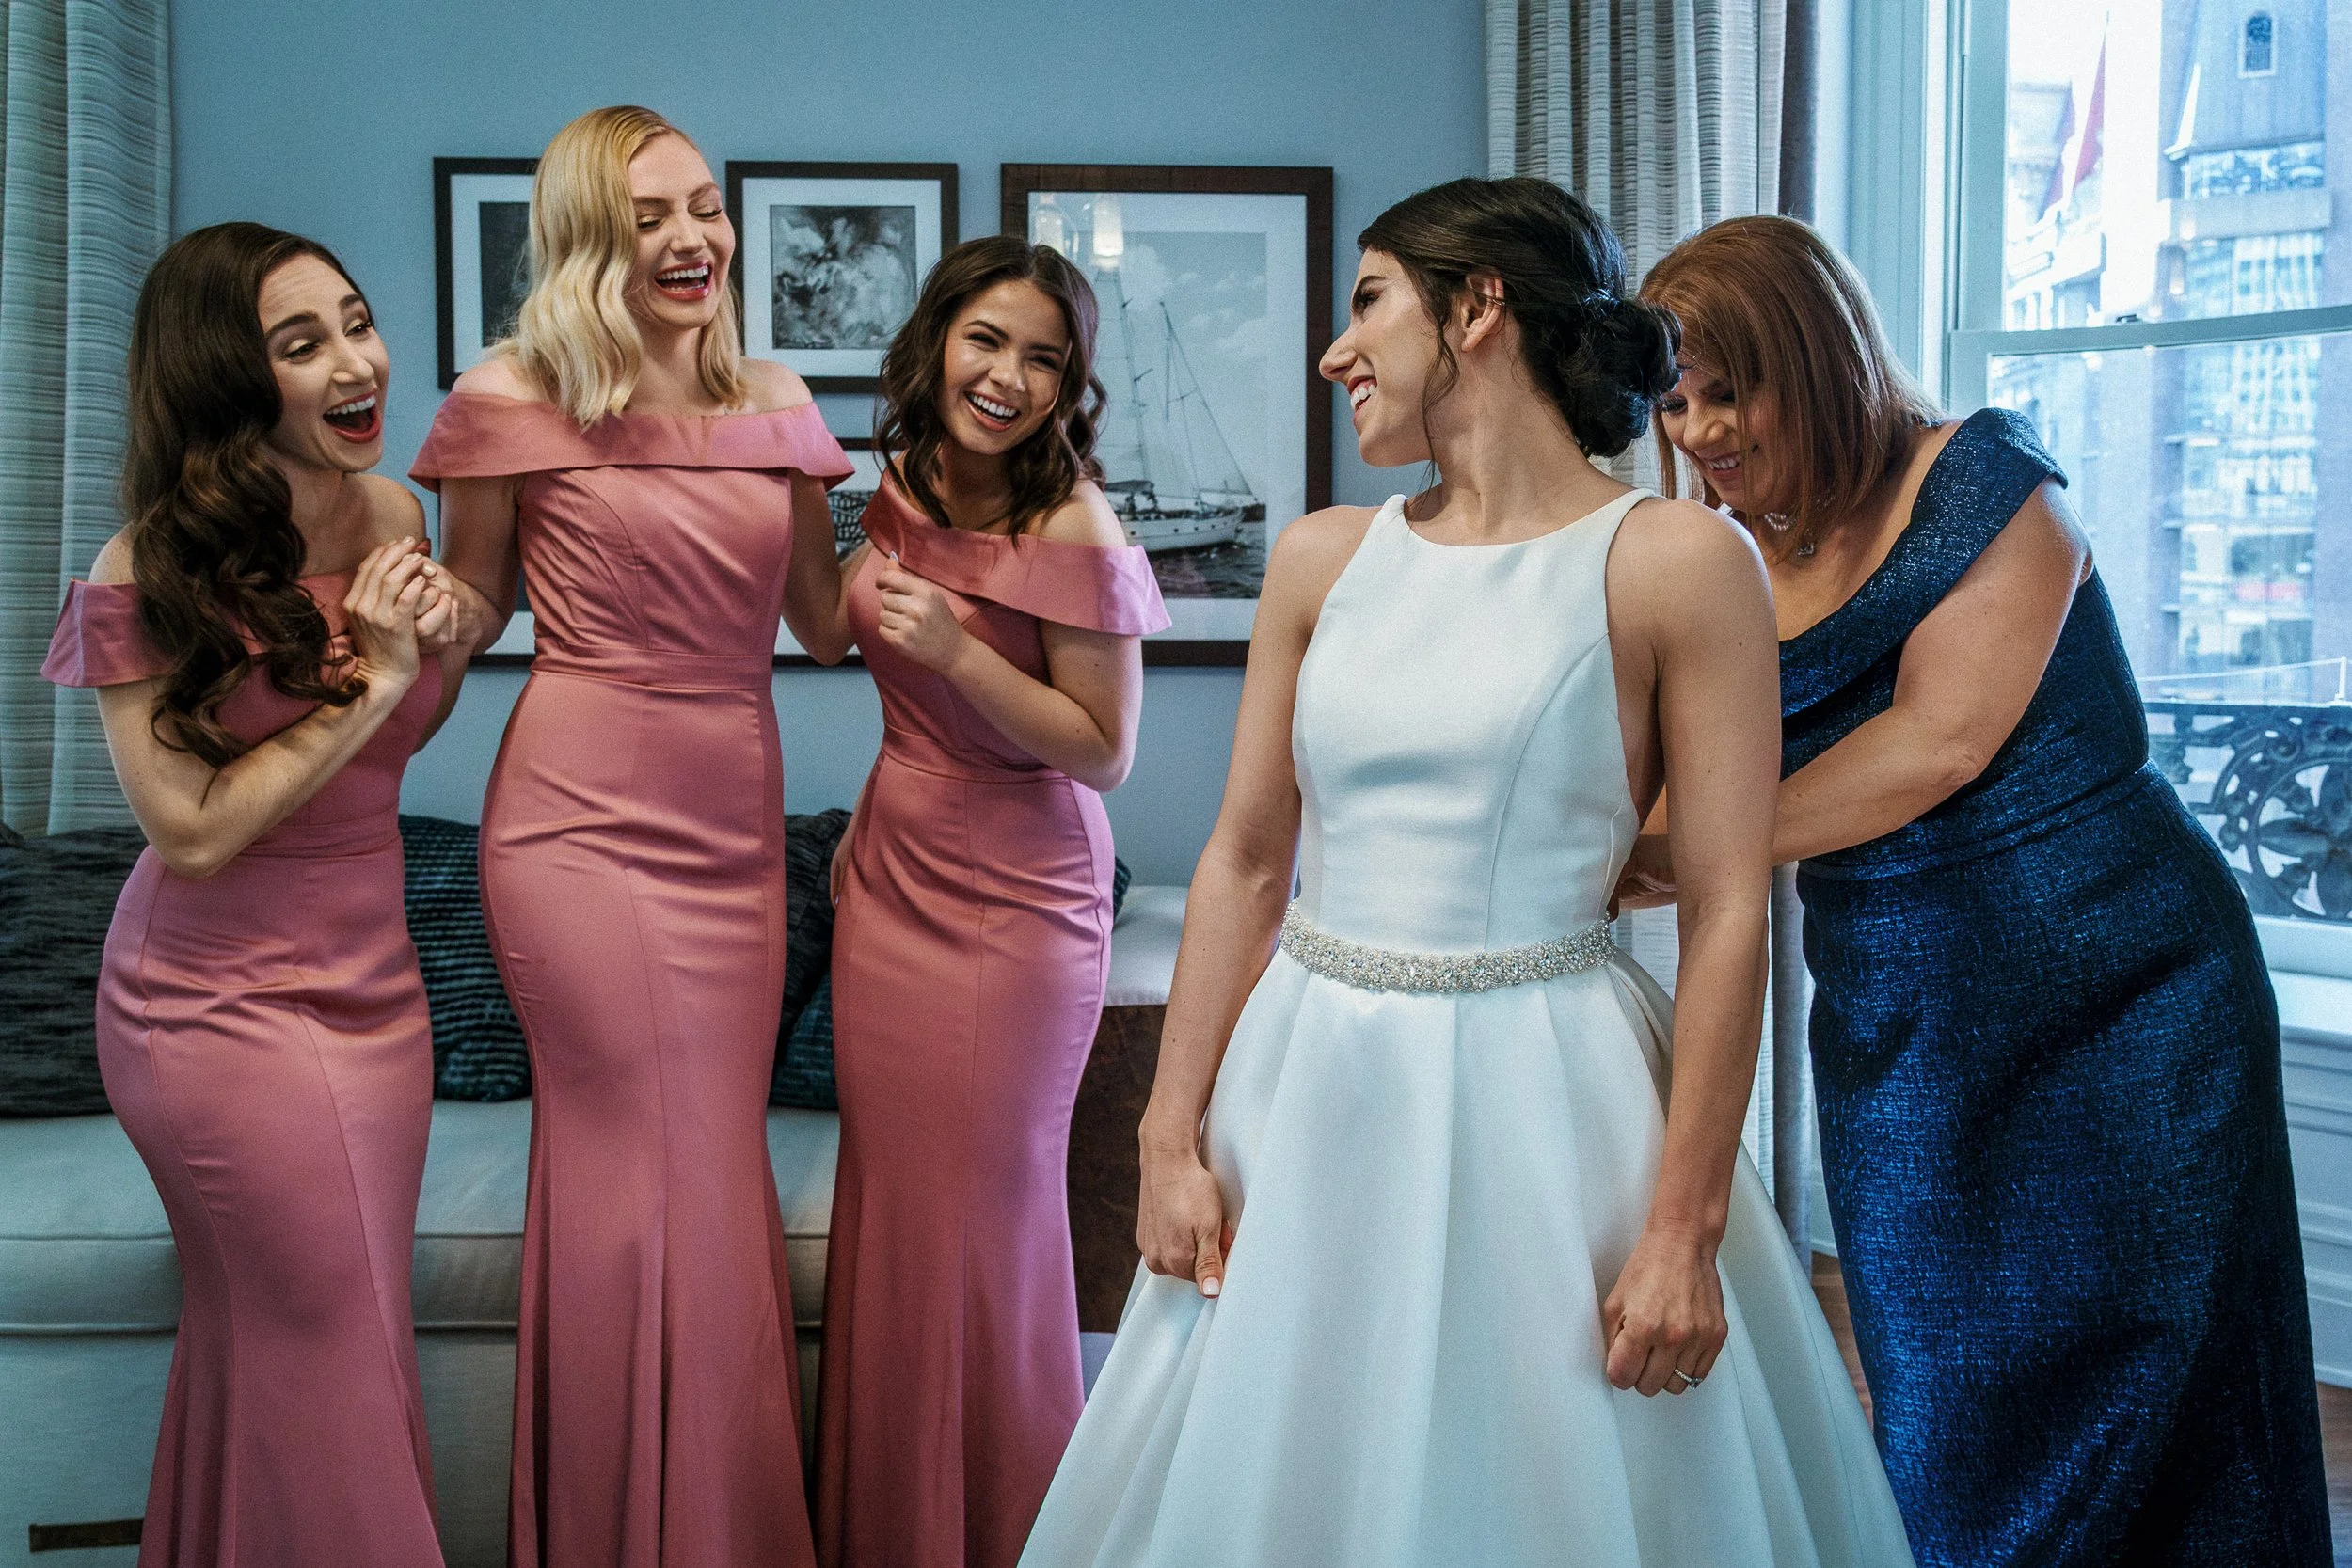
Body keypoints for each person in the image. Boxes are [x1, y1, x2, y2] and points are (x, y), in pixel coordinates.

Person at [1020, 178, 1915, 1568]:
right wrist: (1168, 1132)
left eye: (1368, 299)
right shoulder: (1323, 559)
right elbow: (1249, 861)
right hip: (1308, 1095)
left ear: (1479, 306)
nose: (1336, 351)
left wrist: (1684, 1225)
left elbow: (1736, 906)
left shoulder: (1679, 559)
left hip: (1557, 1109)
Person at [1634, 213, 2329, 1566]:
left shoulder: (1988, 476)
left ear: (1820, 358)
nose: (1702, 428)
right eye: (1676, 398)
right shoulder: (1719, 565)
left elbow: (1935, 743)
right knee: (1946, 1395)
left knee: (2167, 1377)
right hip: (1907, 1027)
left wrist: (1688, 845)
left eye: (1733, 387)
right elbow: (1655, 780)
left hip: (2131, 996)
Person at [411, 105, 851, 1568]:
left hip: (731, 833)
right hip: (574, 829)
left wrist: (1007, 520)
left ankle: (710, 1530)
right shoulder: (510, 394)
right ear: (592, 240)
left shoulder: (778, 398)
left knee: (712, 1168)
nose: (693, 240)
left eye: (707, 209)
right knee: (624, 1166)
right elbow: (475, 604)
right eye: (651, 216)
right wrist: (398, 615)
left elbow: (828, 623)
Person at [42, 221, 466, 1566]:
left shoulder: (396, 510)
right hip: (205, 1006)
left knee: (311, 1335)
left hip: (374, 990)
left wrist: (439, 649)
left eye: (355, 319)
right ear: (229, 384)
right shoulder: (142, 568)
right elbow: (197, 829)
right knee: (326, 1336)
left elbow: (381, 757)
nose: (359, 361)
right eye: (304, 344)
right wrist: (384, 674)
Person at [799, 236, 1167, 1568]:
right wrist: (786, 489)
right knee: (893, 1211)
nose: (1008, 376)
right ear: (935, 339)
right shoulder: (876, 491)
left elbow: (1103, 745)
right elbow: (826, 628)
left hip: (1024, 894)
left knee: (996, 1217)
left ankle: (1011, 1532)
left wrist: (957, 642)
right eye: (987, 340)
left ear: (1069, 386)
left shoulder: (1074, 522)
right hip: (891, 882)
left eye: (1044, 358)